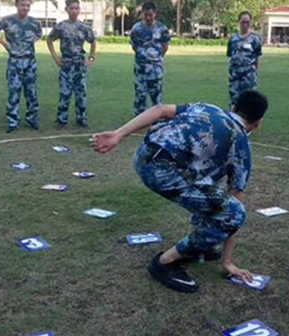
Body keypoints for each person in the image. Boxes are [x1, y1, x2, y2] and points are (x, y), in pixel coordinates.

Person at [92, 90, 269, 293]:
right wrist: (227, 262)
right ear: (258, 122)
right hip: (163, 172)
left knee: (211, 185)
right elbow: (235, 208)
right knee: (233, 212)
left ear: (233, 107)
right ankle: (165, 263)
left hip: (143, 154)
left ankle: (202, 243)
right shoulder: (241, 146)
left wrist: (118, 134)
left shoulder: (206, 107)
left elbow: (160, 110)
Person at [0, 0, 43, 133]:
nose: (25, 8)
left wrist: (26, 44)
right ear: (17, 5)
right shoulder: (8, 20)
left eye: (27, 5)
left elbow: (39, 34)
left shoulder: (34, 22)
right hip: (15, 62)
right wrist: (5, 44)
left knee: (31, 92)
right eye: (22, 5)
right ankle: (13, 121)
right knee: (14, 92)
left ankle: (32, 119)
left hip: (30, 62)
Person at [47, 0, 97, 129]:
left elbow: (93, 41)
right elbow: (49, 39)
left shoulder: (84, 27)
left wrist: (91, 58)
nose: (74, 11)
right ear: (66, 9)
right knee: (65, 93)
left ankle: (82, 119)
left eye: (76, 8)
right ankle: (62, 120)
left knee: (81, 94)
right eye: (71, 8)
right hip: (66, 65)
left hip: (80, 65)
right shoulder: (61, 26)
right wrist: (55, 57)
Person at [130, 2, 170, 116]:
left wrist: (156, 58)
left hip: (156, 67)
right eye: (145, 15)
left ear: (155, 14)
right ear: (142, 14)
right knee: (140, 94)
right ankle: (139, 118)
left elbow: (165, 47)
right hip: (140, 68)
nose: (148, 18)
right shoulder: (137, 28)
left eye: (150, 15)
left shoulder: (162, 29)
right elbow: (134, 46)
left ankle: (156, 119)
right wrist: (143, 56)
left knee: (156, 95)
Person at [227, 11, 262, 108]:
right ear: (239, 22)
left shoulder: (255, 39)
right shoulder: (233, 39)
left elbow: (259, 55)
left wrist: (256, 72)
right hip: (235, 76)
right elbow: (230, 55)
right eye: (243, 22)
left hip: (249, 76)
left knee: (250, 100)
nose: (245, 25)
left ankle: (248, 122)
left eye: (248, 22)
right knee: (235, 101)